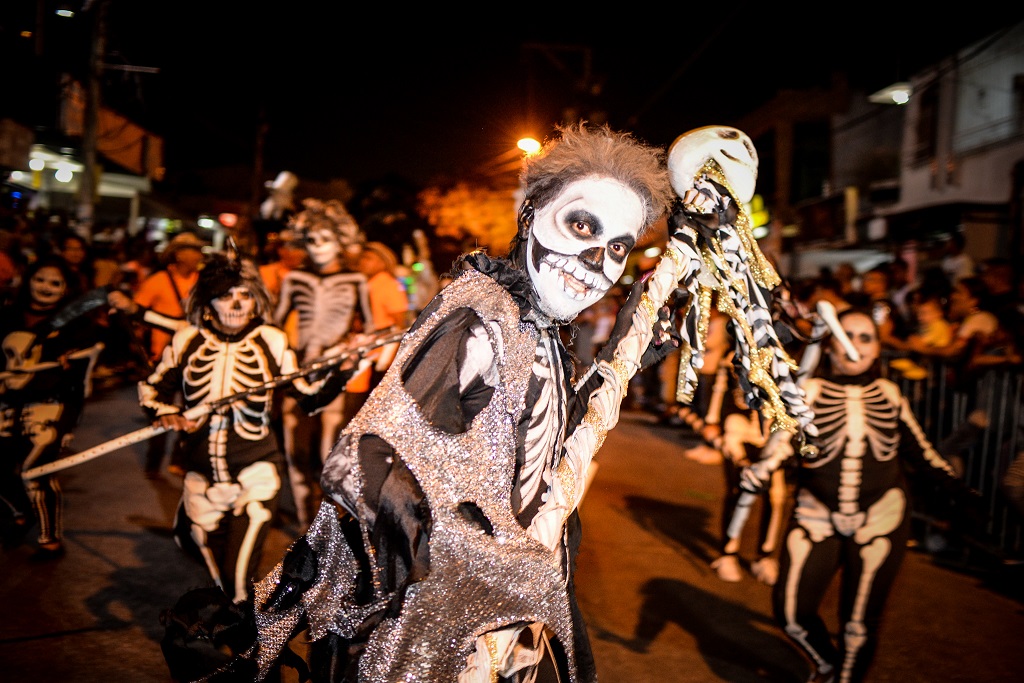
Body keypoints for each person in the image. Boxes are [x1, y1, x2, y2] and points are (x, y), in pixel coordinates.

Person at [739, 308, 979, 683]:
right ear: (829, 345)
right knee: (791, 613)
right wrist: (763, 466)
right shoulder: (810, 392)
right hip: (816, 515)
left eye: (865, 337)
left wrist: (957, 491)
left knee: (858, 623)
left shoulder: (889, 393)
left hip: (881, 516)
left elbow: (921, 450)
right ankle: (827, 665)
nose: (854, 345)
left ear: (877, 349)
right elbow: (780, 446)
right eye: (845, 335)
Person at [137, 248, 352, 603]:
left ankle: (248, 647)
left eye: (245, 295)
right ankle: (235, 625)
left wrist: (345, 368)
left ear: (255, 302)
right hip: (200, 472)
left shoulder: (271, 340)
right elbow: (151, 390)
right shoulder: (187, 340)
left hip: (255, 471)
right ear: (208, 304)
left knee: (237, 585)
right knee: (200, 552)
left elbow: (309, 396)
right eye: (225, 296)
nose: (237, 304)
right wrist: (165, 413)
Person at [272, 198, 374, 527]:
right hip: (298, 369)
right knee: (294, 448)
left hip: (333, 370)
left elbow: (370, 328)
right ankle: (304, 518)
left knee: (327, 451)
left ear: (340, 242)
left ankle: (323, 524)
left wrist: (355, 345)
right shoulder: (293, 279)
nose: (318, 248)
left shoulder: (356, 281)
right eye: (312, 240)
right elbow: (274, 325)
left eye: (326, 240)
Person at [0, 256, 104, 560]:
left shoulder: (77, 326)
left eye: (55, 283)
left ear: (66, 289)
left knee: (37, 471)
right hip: (7, 404)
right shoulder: (7, 316)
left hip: (52, 407)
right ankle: (22, 510)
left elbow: (84, 368)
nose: (46, 287)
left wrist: (73, 360)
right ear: (28, 280)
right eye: (40, 279)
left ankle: (50, 540)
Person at [120, 232, 206, 477]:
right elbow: (136, 313)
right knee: (161, 409)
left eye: (199, 249)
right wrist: (139, 349)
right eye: (192, 250)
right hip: (162, 355)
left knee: (190, 409)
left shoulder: (202, 280)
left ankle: (180, 460)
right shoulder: (157, 280)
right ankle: (153, 463)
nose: (198, 255)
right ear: (178, 254)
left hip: (193, 356)